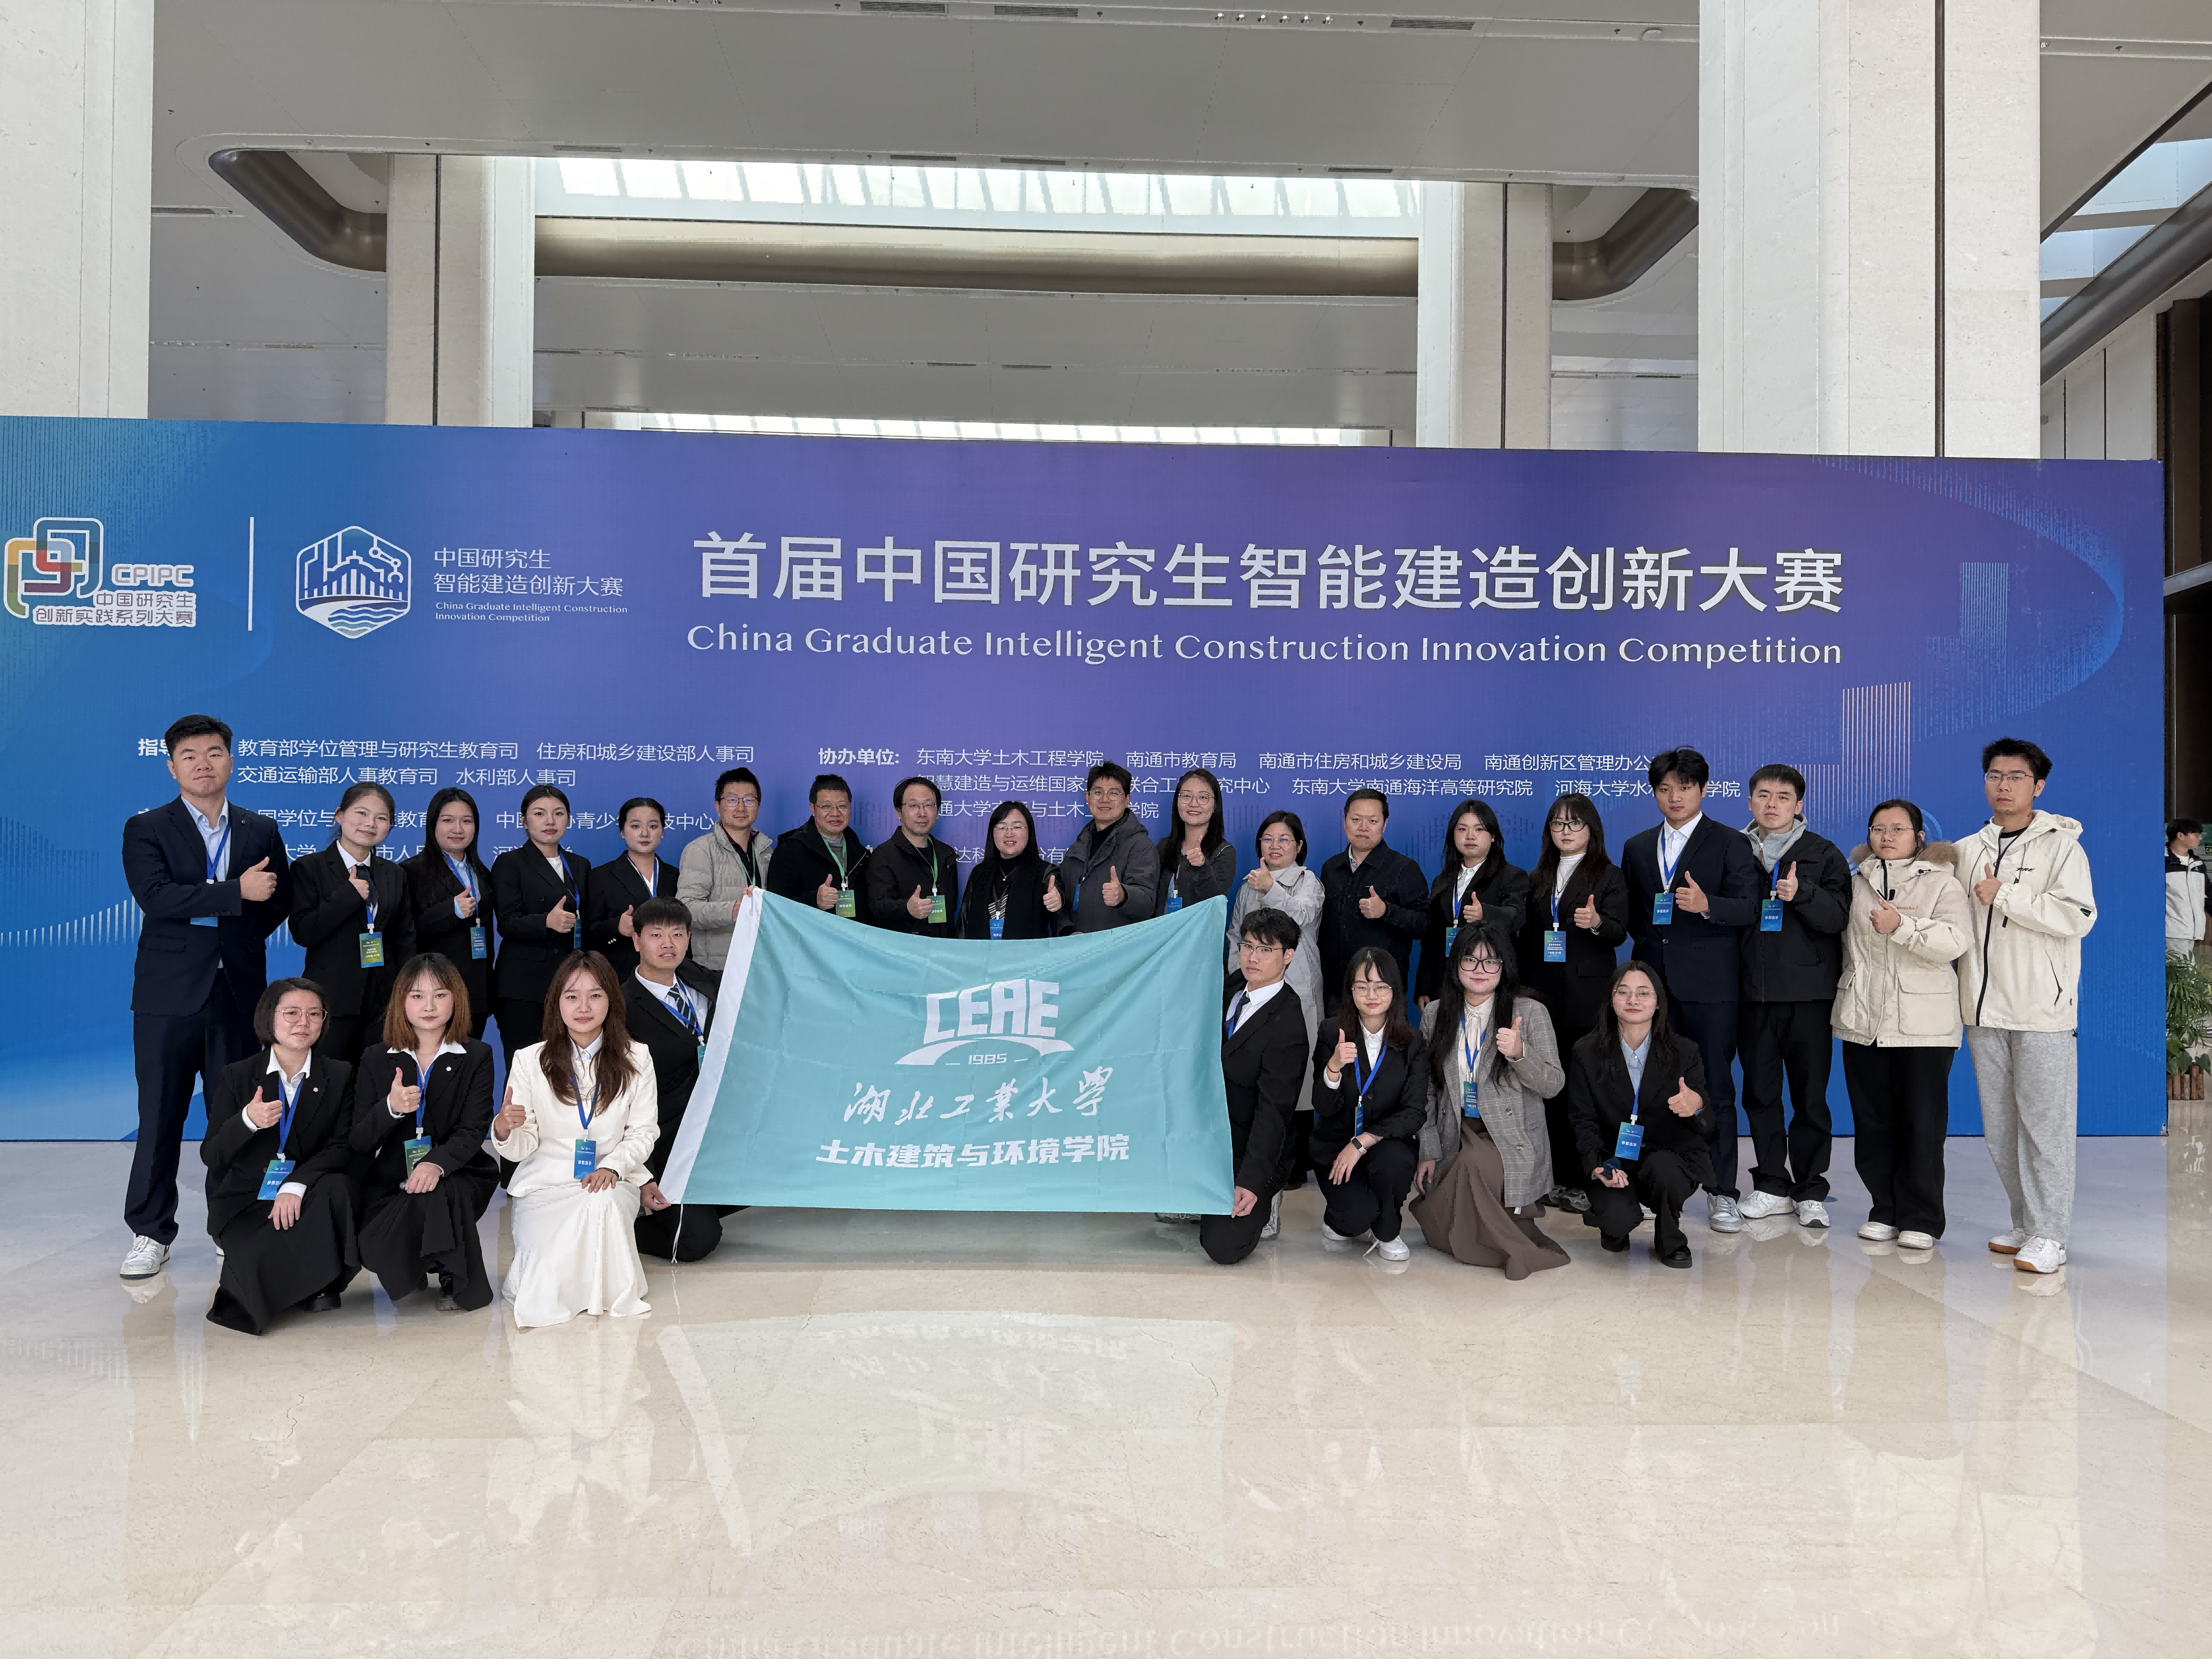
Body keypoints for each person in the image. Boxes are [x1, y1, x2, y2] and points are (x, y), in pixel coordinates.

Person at [120, 714, 290, 1280]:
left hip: (238, 993)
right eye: (189, 756)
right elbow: (157, 898)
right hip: (168, 997)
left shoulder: (260, 829)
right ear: (172, 767)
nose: (203, 764)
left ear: (231, 761)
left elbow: (277, 899)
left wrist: (233, 929)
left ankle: (230, 1224)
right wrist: (234, 894)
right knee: (160, 1115)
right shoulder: (147, 828)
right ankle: (150, 1232)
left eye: (214, 753)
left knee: (236, 1118)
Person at [1957, 738, 2097, 1277]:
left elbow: (2078, 916)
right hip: (1982, 1009)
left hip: (2041, 1009)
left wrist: (2007, 895)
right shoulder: (1968, 849)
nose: (2004, 785)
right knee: (2001, 1128)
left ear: (2038, 786)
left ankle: (2050, 1234)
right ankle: (2025, 1221)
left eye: (2016, 777)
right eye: (1995, 775)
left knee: (2046, 1127)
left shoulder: (2062, 848)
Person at [1621, 746, 1760, 1233]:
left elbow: (1750, 908)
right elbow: (1636, 916)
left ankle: (1722, 1192)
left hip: (1710, 987)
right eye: (1665, 789)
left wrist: (1707, 905)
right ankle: (1652, 1186)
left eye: (1684, 787)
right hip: (1653, 987)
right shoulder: (1638, 847)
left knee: (1714, 1087)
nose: (1675, 797)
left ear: (1703, 789)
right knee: (1649, 1085)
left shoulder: (1730, 843)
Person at [489, 951, 661, 1328]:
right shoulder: (530, 1060)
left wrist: (612, 1168)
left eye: (595, 995)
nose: (584, 1007)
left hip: (608, 1180)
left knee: (601, 1202)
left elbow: (643, 1132)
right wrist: (504, 1128)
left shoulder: (637, 1058)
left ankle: (603, 1293)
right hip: (544, 1185)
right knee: (545, 1280)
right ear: (557, 1003)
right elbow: (522, 1145)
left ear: (611, 1001)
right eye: (572, 996)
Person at [1833, 800, 1971, 1252]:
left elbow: (1955, 942)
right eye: (1878, 828)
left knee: (1921, 1124)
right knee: (1873, 1123)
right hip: (1864, 1020)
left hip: (1923, 1025)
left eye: (1898, 829)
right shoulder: (1855, 883)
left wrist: (1902, 926)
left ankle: (1922, 1217)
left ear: (1919, 836)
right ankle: (1885, 1209)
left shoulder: (1942, 882)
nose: (1887, 836)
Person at [199, 978, 360, 1333]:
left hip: (309, 1193)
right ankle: (296, 1286)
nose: (303, 1022)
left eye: (314, 1014)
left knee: (339, 1189)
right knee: (251, 1262)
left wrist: (296, 1184)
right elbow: (212, 1155)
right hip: (249, 1199)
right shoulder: (238, 1075)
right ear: (269, 1017)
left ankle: (323, 1284)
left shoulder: (340, 1074)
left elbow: (343, 1146)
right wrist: (247, 1121)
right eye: (292, 1013)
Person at [1410, 921, 1568, 1276]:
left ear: (1504, 966)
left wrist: (1521, 1054)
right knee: (1458, 1176)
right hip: (1457, 1126)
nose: (1480, 970)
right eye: (1470, 960)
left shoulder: (1530, 1013)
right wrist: (1428, 1149)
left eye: (1491, 961)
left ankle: (1503, 1249)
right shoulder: (1436, 1014)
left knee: (1474, 1163)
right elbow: (1426, 1089)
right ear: (1456, 964)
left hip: (1510, 1132)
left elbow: (1554, 1085)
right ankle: (1487, 1235)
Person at [1733, 764, 1852, 1230]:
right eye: (1763, 795)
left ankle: (1810, 1190)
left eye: (1783, 797)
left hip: (1808, 995)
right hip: (1750, 995)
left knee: (1810, 1097)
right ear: (1750, 802)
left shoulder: (1823, 852)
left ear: (1799, 805)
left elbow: (1839, 917)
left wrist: (1803, 894)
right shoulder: (1733, 849)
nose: (1772, 805)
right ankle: (1770, 1185)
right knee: (1760, 1094)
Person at [349, 953, 499, 1311]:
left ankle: (453, 1277)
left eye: (440, 995)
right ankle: (415, 1261)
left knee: (446, 1189)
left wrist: (435, 1164)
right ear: (401, 1001)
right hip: (392, 1177)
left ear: (456, 999)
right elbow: (359, 1139)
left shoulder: (477, 1055)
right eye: (417, 996)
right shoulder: (376, 1057)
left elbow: (473, 1129)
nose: (429, 1006)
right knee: (380, 1231)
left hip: (459, 1169)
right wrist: (390, 1108)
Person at [1514, 792, 1629, 1215]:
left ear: (1591, 829)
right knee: (1548, 1089)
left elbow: (1620, 931)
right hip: (1542, 997)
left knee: (1585, 1090)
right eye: (1558, 824)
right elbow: (1527, 939)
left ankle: (1588, 1177)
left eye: (1574, 823)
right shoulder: (1537, 876)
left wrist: (1598, 923)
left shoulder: (1609, 875)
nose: (1565, 831)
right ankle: (1552, 1178)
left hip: (1587, 999)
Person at [1570, 961, 1713, 1269]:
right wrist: (1596, 1166)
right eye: (1623, 992)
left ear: (1658, 1002)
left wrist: (1697, 1105)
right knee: (1617, 1222)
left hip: (1668, 1156)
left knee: (1665, 1170)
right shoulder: (1586, 1051)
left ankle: (1671, 1238)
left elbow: (1706, 1122)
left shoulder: (1684, 1051)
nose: (1633, 1000)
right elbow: (1583, 1118)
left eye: (1644, 993)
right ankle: (1611, 1222)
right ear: (1611, 1000)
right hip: (1613, 1157)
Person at [623, 898, 738, 1262]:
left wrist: (756, 914)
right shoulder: (621, 1007)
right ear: (636, 940)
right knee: (694, 1243)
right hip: (666, 1139)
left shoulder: (698, 978)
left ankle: (700, 1201)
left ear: (689, 938)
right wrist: (642, 1174)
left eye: (677, 934)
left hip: (716, 1128)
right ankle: (621, 1226)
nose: (668, 944)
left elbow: (751, 972)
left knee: (770, 1177)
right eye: (656, 935)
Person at [1310, 947, 1429, 1260]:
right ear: (1351, 991)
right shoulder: (1332, 1032)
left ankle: (1388, 1229)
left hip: (1386, 1142)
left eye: (1381, 986)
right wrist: (1333, 1067)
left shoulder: (1413, 1042)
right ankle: (1341, 1217)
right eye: (1362, 987)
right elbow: (1322, 1106)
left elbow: (1414, 1112)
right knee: (1354, 1220)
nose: (1371, 995)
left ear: (1395, 991)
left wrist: (1363, 1141)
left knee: (1394, 1161)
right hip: (1336, 1144)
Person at [1205, 908, 1308, 1263]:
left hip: (1251, 1145)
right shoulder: (1234, 987)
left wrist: (1251, 1181)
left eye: (1266, 950)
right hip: (1210, 1132)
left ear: (1288, 956)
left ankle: (1267, 1195)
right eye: (1248, 946)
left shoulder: (1288, 1026)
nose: (1253, 957)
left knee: (1223, 1246)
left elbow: (1273, 1113)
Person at [288, 781, 415, 1064]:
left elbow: (404, 938)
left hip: (383, 1002)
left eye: (381, 818)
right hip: (331, 998)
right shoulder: (309, 868)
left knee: (377, 1081)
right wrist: (347, 896)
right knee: (329, 1080)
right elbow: (304, 932)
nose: (371, 824)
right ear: (340, 815)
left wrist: (404, 994)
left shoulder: (394, 874)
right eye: (362, 813)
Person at [1228, 811, 1326, 1173]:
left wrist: (1270, 888)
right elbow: (1235, 935)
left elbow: (1300, 917)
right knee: (1253, 1070)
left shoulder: (1308, 881)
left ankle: (1295, 1163)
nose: (1275, 846)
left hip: (1296, 989)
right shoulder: (1247, 885)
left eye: (1285, 839)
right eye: (1268, 839)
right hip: (1251, 992)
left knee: (1295, 1074)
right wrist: (1236, 977)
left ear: (1299, 846)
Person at [489, 783, 595, 1068]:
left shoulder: (580, 865)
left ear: (568, 820)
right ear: (524, 821)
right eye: (540, 813)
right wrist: (545, 922)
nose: (550, 821)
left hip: (570, 983)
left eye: (558, 814)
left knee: (567, 1069)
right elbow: (507, 923)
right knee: (524, 1069)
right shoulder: (510, 863)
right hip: (524, 987)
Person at [1316, 789, 1427, 1006]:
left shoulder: (1404, 869)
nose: (1363, 827)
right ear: (1345, 822)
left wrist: (1387, 911)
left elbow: (1425, 925)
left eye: (1372, 821)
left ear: (1384, 825)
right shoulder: (1331, 868)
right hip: (1335, 990)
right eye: (1356, 819)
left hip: (1383, 989)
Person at [1416, 798, 1530, 1005]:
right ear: (1453, 835)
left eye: (1479, 829)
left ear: (1493, 836)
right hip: (1445, 981)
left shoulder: (1512, 876)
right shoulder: (1442, 880)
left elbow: (1517, 916)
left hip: (1489, 980)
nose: (1470, 836)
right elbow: (1431, 938)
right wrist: (1424, 987)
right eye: (1462, 829)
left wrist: (1485, 914)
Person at [402, 787, 496, 1038]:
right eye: (448, 820)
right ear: (433, 825)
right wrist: (451, 911)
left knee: (471, 1060)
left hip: (476, 993)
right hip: (433, 993)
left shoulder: (482, 873)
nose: (458, 829)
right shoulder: (411, 872)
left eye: (467, 821)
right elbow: (407, 931)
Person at [676, 767, 775, 984]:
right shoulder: (701, 850)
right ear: (718, 807)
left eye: (749, 800)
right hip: (717, 969)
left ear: (758, 806)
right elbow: (686, 909)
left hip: (762, 963)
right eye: (732, 800)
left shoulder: (767, 851)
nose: (741, 807)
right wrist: (734, 910)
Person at [586, 796, 679, 981]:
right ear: (622, 831)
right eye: (636, 826)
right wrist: (617, 928)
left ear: (662, 831)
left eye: (653, 826)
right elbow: (587, 935)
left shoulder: (677, 876)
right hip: (622, 977)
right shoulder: (601, 876)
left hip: (671, 974)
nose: (645, 833)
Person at [1057, 762, 1158, 931]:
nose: (1105, 799)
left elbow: (1148, 904)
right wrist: (1068, 931)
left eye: (1114, 793)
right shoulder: (1080, 844)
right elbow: (1061, 898)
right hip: (1077, 944)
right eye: (1098, 792)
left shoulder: (1141, 846)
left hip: (1118, 946)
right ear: (1087, 797)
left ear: (1127, 799)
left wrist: (1124, 896)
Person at [765, 773, 872, 920]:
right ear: (813, 809)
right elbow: (776, 908)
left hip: (853, 934)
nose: (835, 813)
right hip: (810, 934)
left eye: (842, 806)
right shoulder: (789, 850)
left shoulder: (862, 854)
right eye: (826, 807)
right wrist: (814, 901)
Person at [866, 775, 961, 938]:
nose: (922, 813)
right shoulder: (884, 855)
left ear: (937, 812)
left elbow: (951, 908)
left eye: (928, 805)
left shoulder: (946, 854)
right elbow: (876, 908)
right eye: (914, 805)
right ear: (899, 812)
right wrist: (907, 908)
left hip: (943, 946)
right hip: (903, 947)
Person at [957, 800, 1065, 939]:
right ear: (992, 834)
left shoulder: (1046, 872)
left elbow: (1061, 921)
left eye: (1017, 827)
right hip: (981, 953)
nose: (1009, 834)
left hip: (1027, 953)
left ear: (1029, 832)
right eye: (1002, 828)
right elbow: (964, 923)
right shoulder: (979, 873)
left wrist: (1057, 904)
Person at [1155, 767, 1237, 917]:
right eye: (1186, 796)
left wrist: (1203, 867)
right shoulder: (1164, 847)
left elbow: (1215, 904)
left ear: (1215, 806)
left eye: (1203, 797)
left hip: (1198, 932)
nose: (1194, 804)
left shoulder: (1224, 852)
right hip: (1162, 931)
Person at [2167, 818, 2208, 959]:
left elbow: (2208, 894)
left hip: (2194, 933)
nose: (2200, 838)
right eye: (2196, 834)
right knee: (2181, 971)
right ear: (2180, 836)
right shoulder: (2162, 862)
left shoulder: (2197, 864)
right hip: (2172, 932)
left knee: (2189, 971)